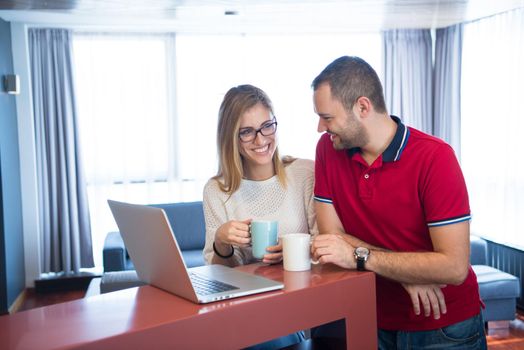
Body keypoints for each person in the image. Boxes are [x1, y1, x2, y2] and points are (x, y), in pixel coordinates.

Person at [310, 56, 487, 349]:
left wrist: (362, 256)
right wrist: (408, 273)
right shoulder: (328, 150)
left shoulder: (435, 157)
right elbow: (332, 240)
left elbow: (454, 266)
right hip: (370, 318)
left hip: (443, 325)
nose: (320, 128)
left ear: (363, 107)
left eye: (327, 117)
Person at [202, 84, 316, 349]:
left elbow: (325, 242)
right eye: (247, 132)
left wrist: (293, 252)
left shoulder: (304, 173)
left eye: (267, 126)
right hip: (244, 310)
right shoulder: (217, 190)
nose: (261, 139)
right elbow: (220, 276)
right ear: (230, 137)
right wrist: (221, 241)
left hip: (298, 303)